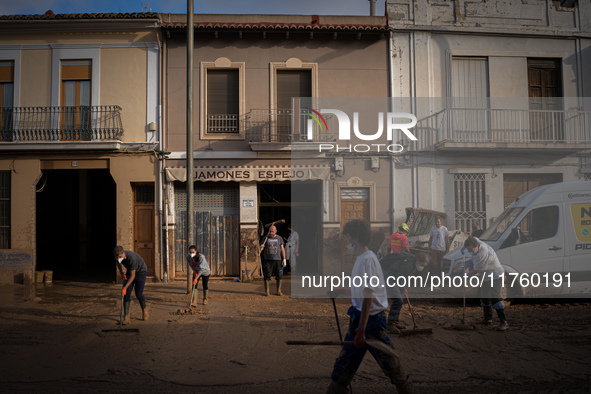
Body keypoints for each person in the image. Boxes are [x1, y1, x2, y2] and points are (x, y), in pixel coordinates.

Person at [327, 219, 413, 394]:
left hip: (371, 322)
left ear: (356, 238)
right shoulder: (361, 258)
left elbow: (368, 296)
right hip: (359, 318)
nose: (345, 240)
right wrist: (342, 290)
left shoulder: (369, 260)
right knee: (343, 366)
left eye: (347, 236)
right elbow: (360, 288)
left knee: (390, 363)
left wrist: (361, 330)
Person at [463, 237, 508, 331]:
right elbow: (472, 238)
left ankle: (504, 322)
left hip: (495, 275)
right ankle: (488, 319)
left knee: (494, 297)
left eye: (471, 250)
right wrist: (462, 249)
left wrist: (466, 275)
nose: (470, 251)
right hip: (486, 275)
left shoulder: (482, 254)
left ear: (477, 246)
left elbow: (476, 270)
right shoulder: (477, 242)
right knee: (484, 296)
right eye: (468, 249)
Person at [381, 251, 428, 334]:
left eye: (424, 266)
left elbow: (402, 277)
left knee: (400, 299)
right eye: (421, 265)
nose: (422, 267)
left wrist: (403, 287)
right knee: (398, 300)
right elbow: (400, 277)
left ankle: (395, 322)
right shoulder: (408, 264)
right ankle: (391, 325)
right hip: (388, 278)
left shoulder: (412, 262)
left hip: (394, 278)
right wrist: (403, 288)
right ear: (417, 260)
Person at [114, 245, 149, 325]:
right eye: (117, 257)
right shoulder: (117, 257)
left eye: (120, 257)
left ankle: (145, 310)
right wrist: (121, 273)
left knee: (138, 294)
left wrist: (125, 288)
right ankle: (126, 317)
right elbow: (118, 264)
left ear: (123, 253)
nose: (119, 259)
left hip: (140, 272)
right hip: (130, 271)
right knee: (126, 295)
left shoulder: (132, 258)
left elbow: (133, 276)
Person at [260, 225, 286, 296]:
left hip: (277, 259)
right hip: (268, 260)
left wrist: (284, 258)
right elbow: (261, 247)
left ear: (276, 231)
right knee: (267, 275)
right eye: (270, 231)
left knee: (279, 275)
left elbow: (282, 248)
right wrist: (261, 247)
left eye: (272, 231)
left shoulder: (279, 238)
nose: (271, 233)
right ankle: (267, 291)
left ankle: (278, 291)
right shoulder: (265, 238)